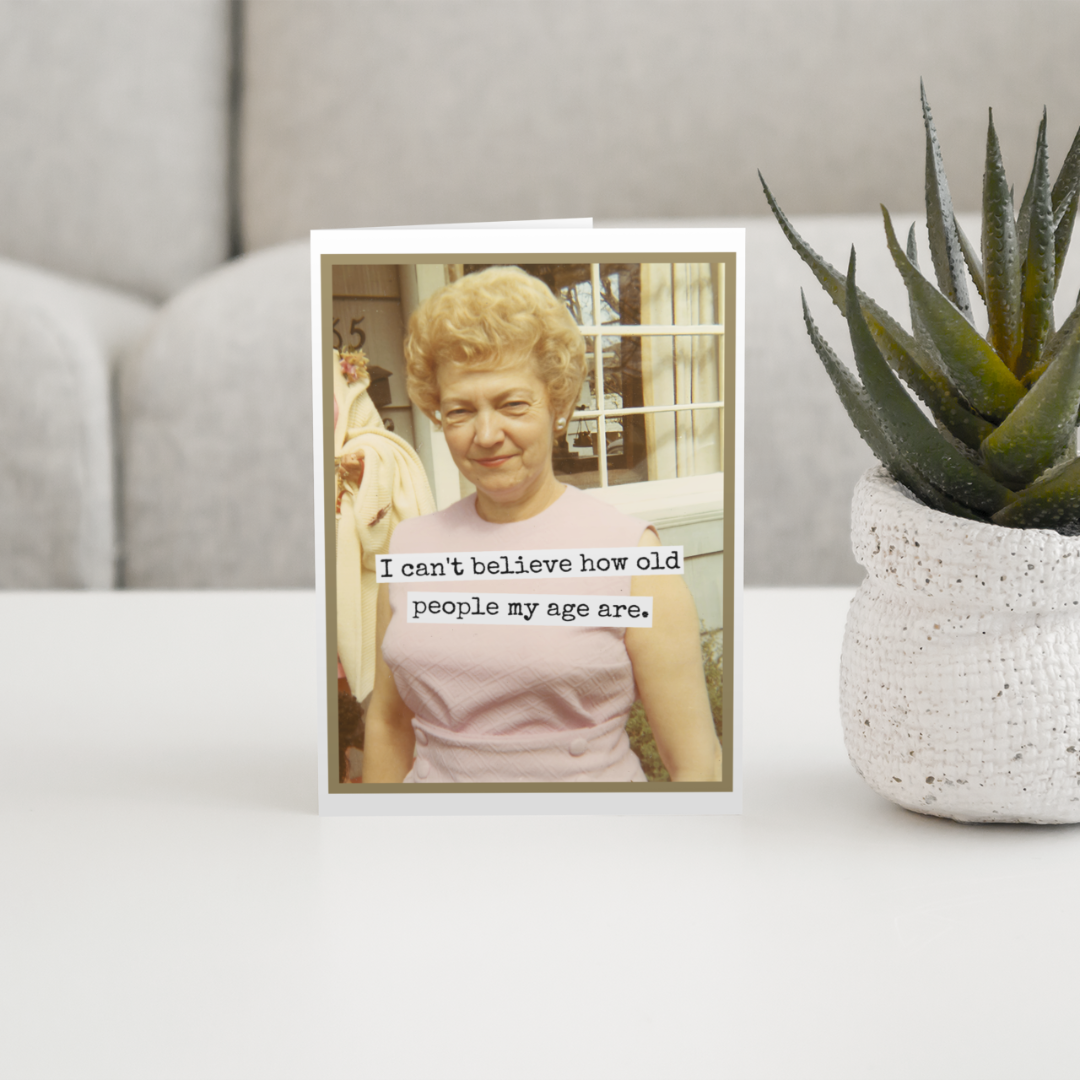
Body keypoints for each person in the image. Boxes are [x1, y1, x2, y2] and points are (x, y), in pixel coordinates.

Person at [361, 266, 722, 783]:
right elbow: (389, 725)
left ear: (557, 404)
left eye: (512, 404)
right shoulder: (408, 549)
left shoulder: (632, 554)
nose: (486, 434)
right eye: (460, 411)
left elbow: (696, 765)